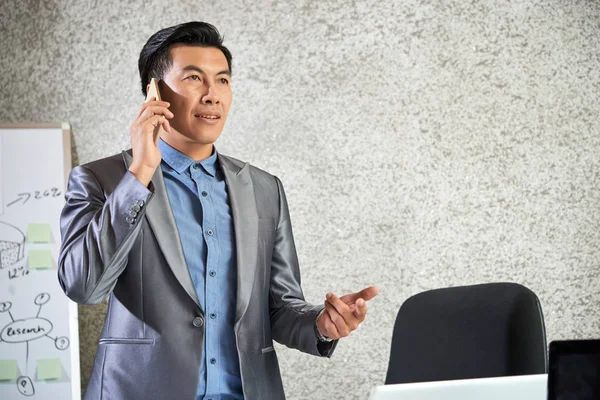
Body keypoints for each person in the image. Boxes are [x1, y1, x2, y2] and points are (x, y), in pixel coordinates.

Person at [58, 21, 378, 400]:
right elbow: (84, 286)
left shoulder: (263, 188)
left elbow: (279, 307)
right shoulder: (102, 179)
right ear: (154, 91)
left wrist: (322, 325)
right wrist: (141, 171)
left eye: (222, 81)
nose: (213, 95)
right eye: (194, 78)